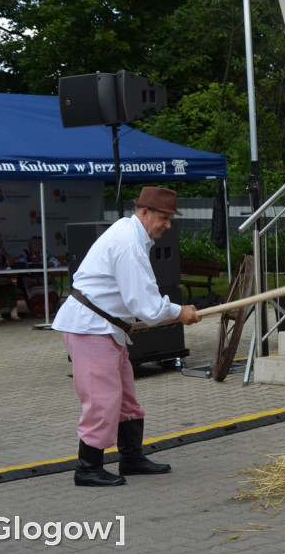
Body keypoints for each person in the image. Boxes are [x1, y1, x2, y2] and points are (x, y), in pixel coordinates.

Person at [52, 187, 201, 487]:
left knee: (126, 399)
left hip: (105, 327)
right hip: (90, 328)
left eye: (170, 219)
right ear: (144, 212)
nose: (168, 225)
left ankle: (131, 458)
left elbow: (133, 298)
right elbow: (144, 304)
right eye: (163, 218)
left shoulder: (129, 232)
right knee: (102, 399)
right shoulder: (129, 242)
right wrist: (178, 311)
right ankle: (87, 468)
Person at [17, 236, 61, 317]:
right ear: (30, 245)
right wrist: (37, 264)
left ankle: (52, 310)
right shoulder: (25, 253)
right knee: (34, 289)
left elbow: (56, 262)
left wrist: (49, 264)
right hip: (28, 277)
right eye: (35, 244)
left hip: (42, 276)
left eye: (39, 244)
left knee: (51, 287)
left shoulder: (44, 253)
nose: (38, 246)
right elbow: (21, 264)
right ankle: (38, 311)